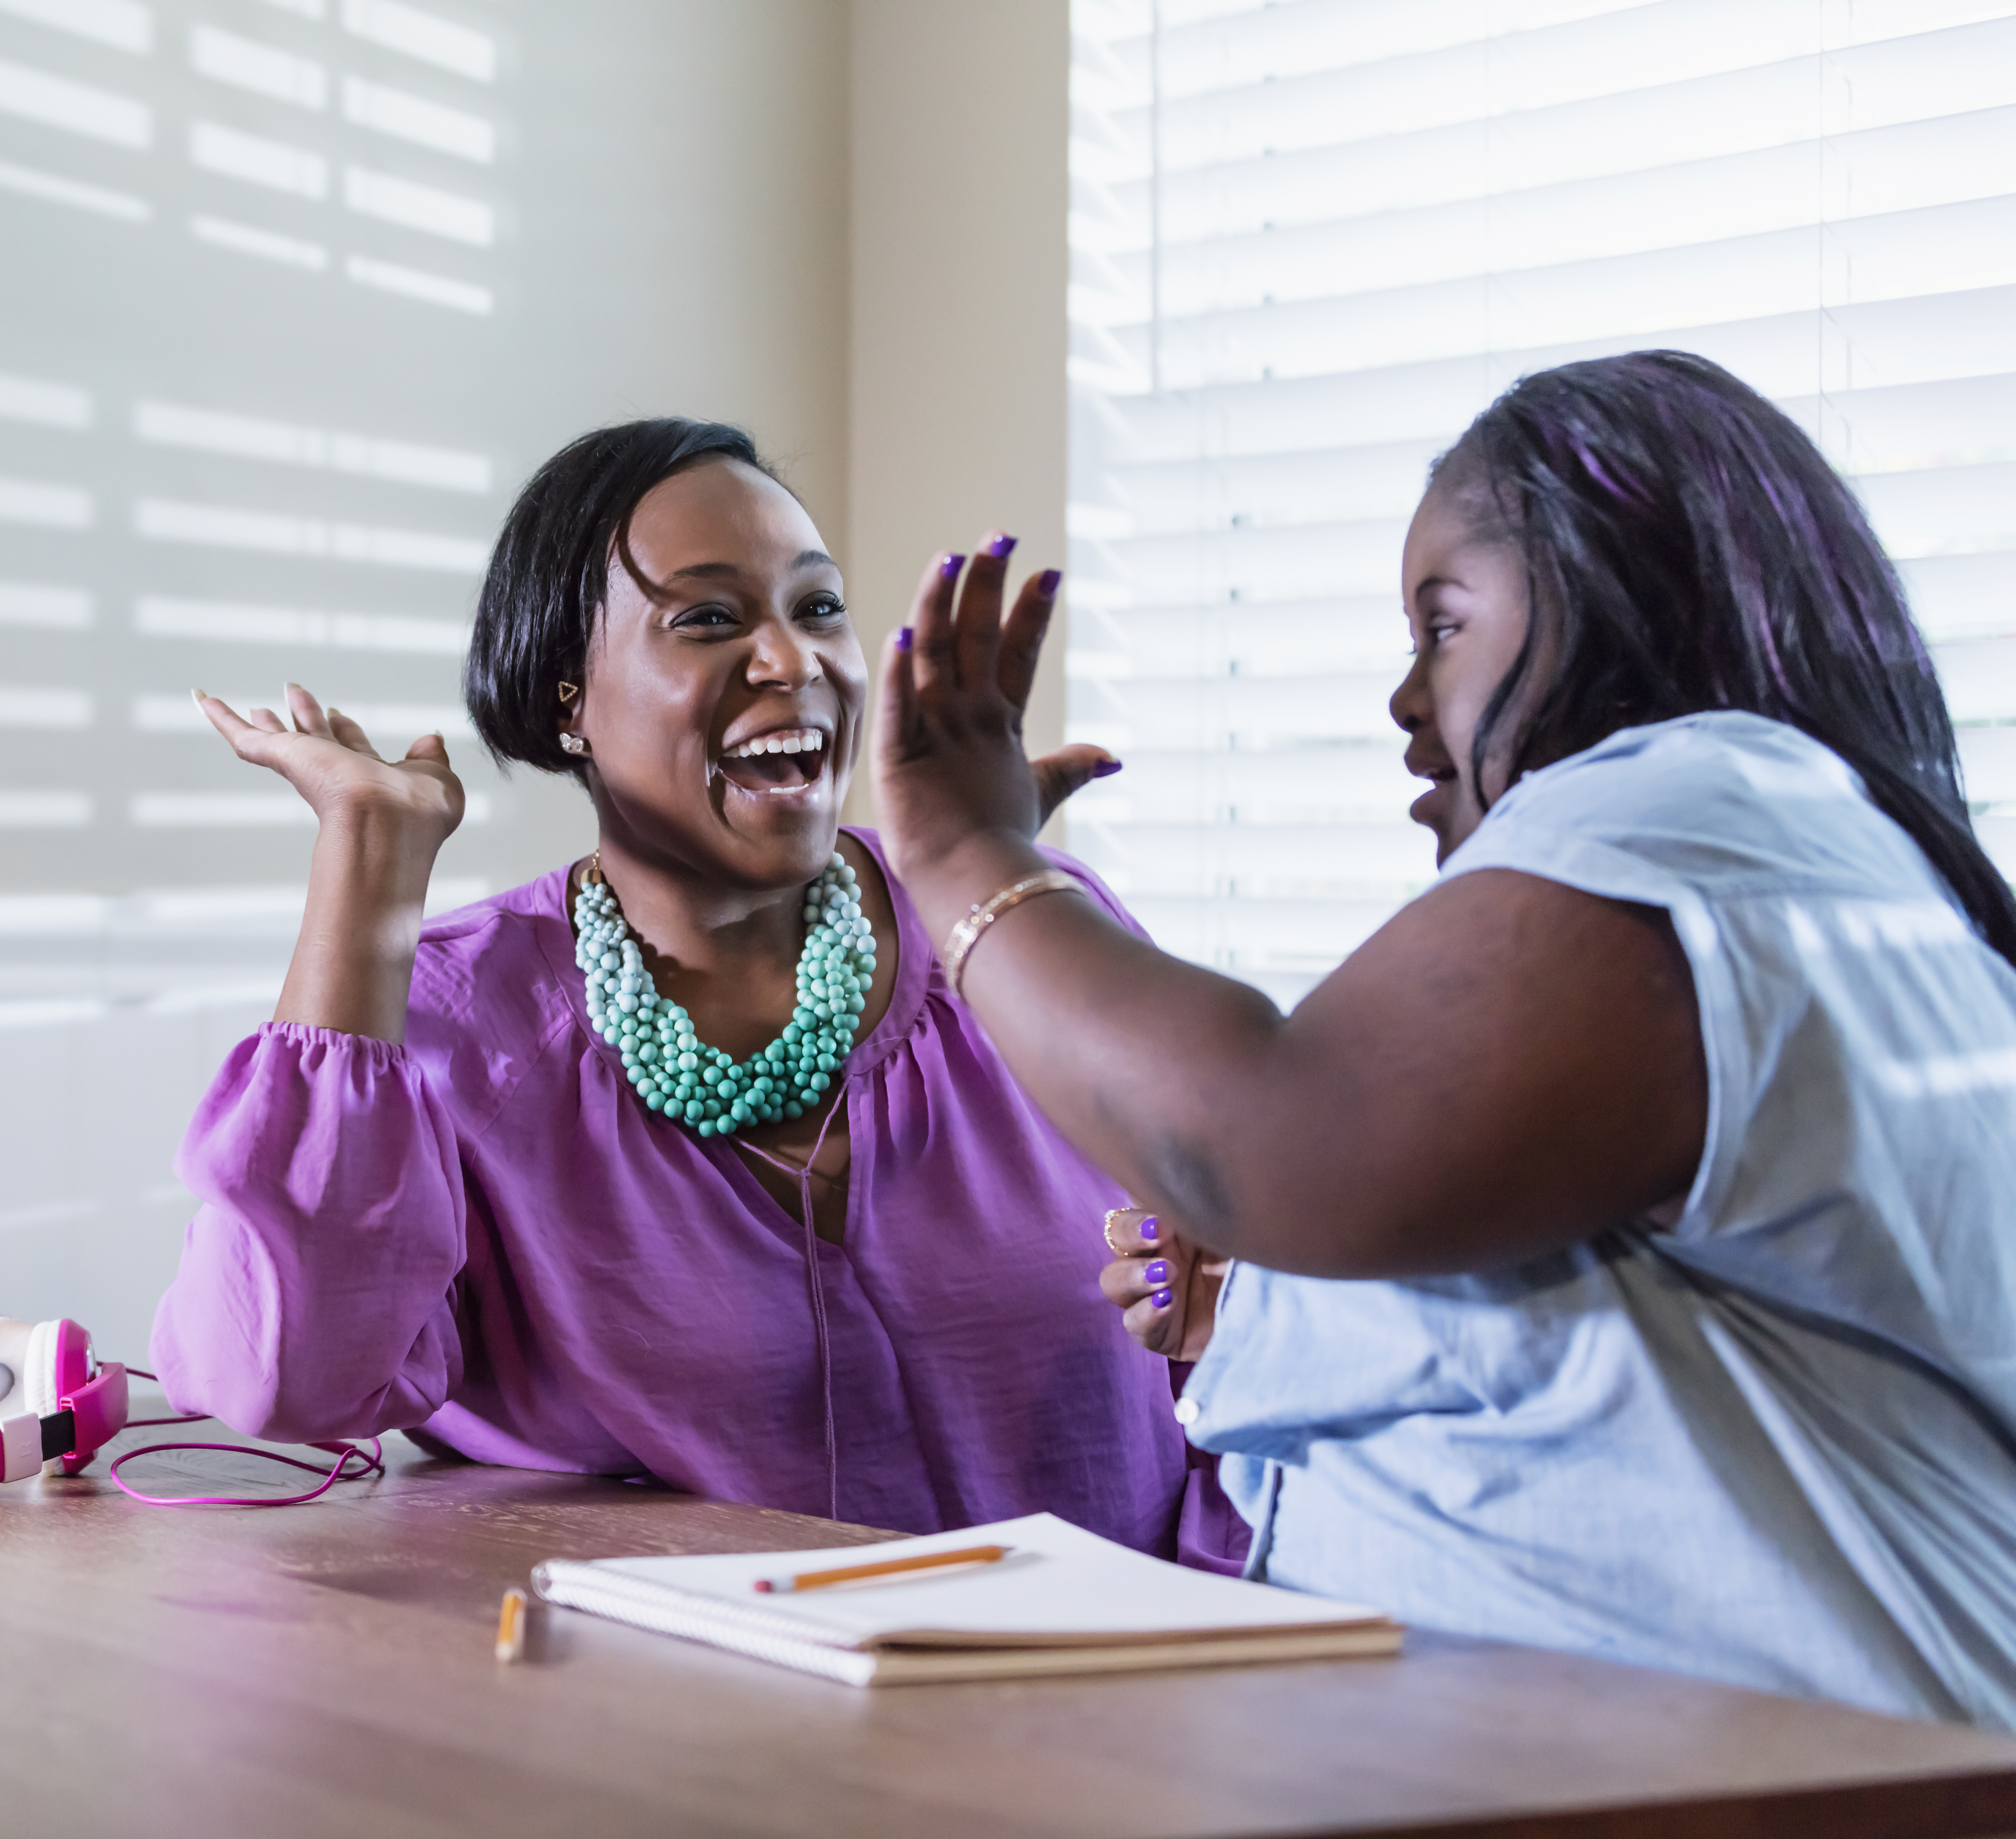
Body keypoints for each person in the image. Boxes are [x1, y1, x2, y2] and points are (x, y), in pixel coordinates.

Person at [873, 350, 2016, 1726]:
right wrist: (1262, 1306)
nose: (1407, 703)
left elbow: (1269, 1140)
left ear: (1618, 598)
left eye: (1441, 626)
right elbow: (1624, 1363)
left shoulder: (1697, 802)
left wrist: (960, 854)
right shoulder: (1800, 863)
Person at [153, 417, 1241, 1558]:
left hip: (1120, 1679)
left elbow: (1236, 1329)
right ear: (567, 696)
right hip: (696, 1714)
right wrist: (369, 875)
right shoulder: (446, 1029)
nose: (790, 661)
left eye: (817, 608)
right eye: (708, 619)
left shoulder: (1017, 925)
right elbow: (282, 1385)